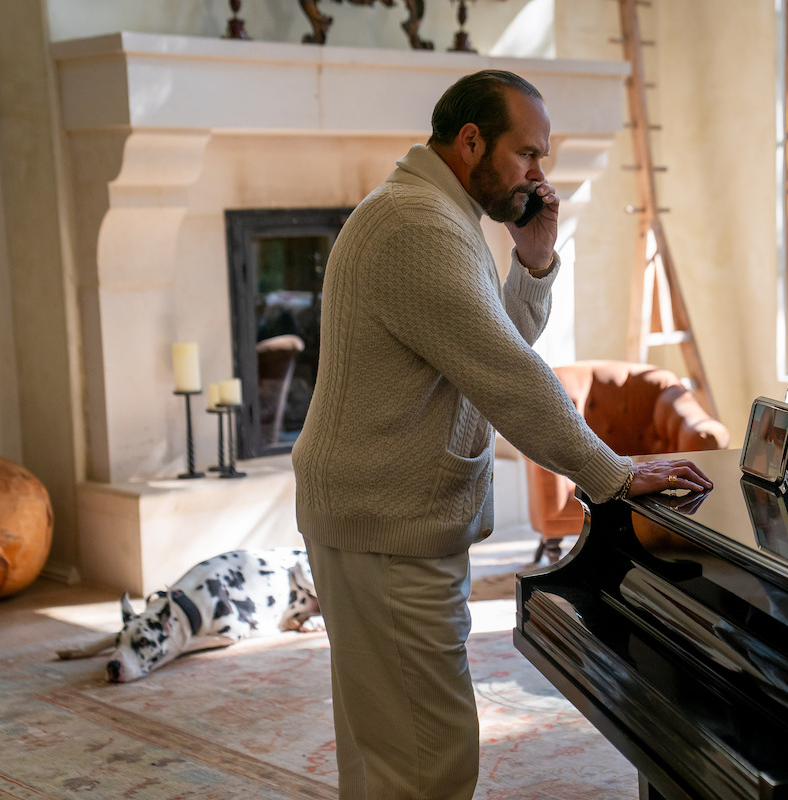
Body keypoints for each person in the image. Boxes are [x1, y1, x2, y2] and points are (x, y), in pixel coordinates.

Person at [290, 69, 714, 800]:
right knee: (427, 761)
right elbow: (510, 378)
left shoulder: (431, 212)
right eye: (528, 154)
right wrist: (611, 471)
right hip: (388, 530)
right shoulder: (419, 226)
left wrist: (536, 261)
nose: (538, 174)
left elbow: (483, 351)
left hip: (373, 517)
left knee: (384, 748)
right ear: (471, 140)